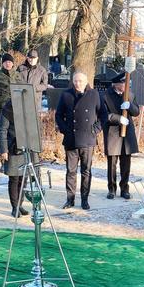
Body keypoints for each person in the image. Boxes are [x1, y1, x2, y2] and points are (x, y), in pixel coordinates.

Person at [55, 71, 102, 210]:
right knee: (71, 171)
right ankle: (70, 199)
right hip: (71, 139)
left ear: (86, 81)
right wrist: (65, 130)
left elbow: (103, 115)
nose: (77, 83)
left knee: (86, 171)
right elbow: (58, 115)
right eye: (75, 81)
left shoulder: (94, 94)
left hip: (88, 139)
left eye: (80, 81)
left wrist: (96, 129)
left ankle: (85, 199)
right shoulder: (66, 95)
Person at [0, 100, 38, 217]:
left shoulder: (29, 106)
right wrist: (3, 149)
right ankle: (14, 207)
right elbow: (2, 129)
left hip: (27, 147)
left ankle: (20, 204)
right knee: (14, 178)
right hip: (13, 148)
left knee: (23, 178)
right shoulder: (8, 108)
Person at [102, 73, 139, 200]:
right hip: (113, 132)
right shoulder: (106, 96)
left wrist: (130, 105)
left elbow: (137, 112)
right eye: (123, 83)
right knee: (112, 163)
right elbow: (104, 115)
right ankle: (111, 189)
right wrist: (118, 118)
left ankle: (125, 189)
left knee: (126, 163)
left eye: (126, 83)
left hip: (127, 133)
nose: (125, 85)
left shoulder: (130, 95)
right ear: (115, 84)